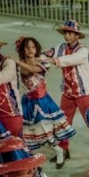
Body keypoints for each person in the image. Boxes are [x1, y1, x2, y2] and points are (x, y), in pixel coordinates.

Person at [41, 20, 89, 162]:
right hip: (67, 93)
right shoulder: (60, 47)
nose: (67, 36)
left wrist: (51, 60)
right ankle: (64, 149)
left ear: (77, 35)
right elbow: (46, 54)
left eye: (70, 33)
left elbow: (71, 59)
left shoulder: (83, 50)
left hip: (82, 93)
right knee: (63, 123)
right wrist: (39, 58)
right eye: (66, 33)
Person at [14, 36, 76, 168]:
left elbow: (32, 70)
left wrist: (16, 61)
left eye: (33, 47)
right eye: (27, 47)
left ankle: (59, 151)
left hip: (43, 102)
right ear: (22, 50)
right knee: (30, 132)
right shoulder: (20, 64)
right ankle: (29, 157)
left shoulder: (42, 61)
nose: (31, 50)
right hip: (28, 102)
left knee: (46, 130)